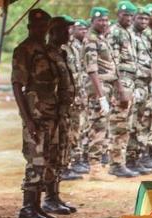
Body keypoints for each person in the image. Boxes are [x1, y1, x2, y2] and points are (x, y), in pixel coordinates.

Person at [12, 9, 60, 218]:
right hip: (36, 113)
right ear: (30, 27)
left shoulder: (47, 49)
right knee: (35, 159)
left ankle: (37, 205)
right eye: (37, 26)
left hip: (50, 111)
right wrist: (27, 119)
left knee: (46, 158)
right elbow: (17, 85)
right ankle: (27, 207)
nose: (41, 30)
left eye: (44, 27)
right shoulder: (24, 50)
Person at [84, 7, 130, 178]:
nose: (103, 23)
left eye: (105, 20)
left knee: (104, 126)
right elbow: (92, 70)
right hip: (98, 88)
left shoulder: (102, 38)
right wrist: (101, 95)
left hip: (107, 87)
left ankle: (99, 165)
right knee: (98, 126)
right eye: (99, 20)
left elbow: (111, 66)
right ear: (92, 21)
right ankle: (95, 167)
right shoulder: (91, 40)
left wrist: (119, 88)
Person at [44, 16, 79, 215]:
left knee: (60, 155)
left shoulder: (61, 53)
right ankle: (45, 199)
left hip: (62, 113)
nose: (68, 34)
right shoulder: (46, 54)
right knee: (49, 155)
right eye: (64, 30)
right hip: (50, 114)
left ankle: (54, 196)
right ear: (53, 32)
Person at [108, 1, 142, 176]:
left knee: (126, 124)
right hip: (121, 83)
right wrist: (119, 88)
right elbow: (113, 62)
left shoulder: (128, 32)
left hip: (131, 82)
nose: (128, 18)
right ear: (118, 15)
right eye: (125, 15)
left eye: (131, 15)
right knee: (119, 124)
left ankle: (120, 161)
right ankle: (115, 163)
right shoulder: (115, 33)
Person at [129, 6, 152, 174]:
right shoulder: (128, 35)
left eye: (146, 19)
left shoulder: (145, 36)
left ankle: (140, 157)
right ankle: (131, 159)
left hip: (146, 84)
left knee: (144, 121)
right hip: (135, 84)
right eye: (140, 18)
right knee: (133, 122)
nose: (144, 22)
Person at [62, 19, 88, 179]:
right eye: (68, 27)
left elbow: (78, 74)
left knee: (75, 129)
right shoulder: (62, 48)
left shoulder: (74, 48)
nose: (70, 30)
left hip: (77, 96)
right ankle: (64, 166)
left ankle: (72, 162)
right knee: (66, 132)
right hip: (66, 99)